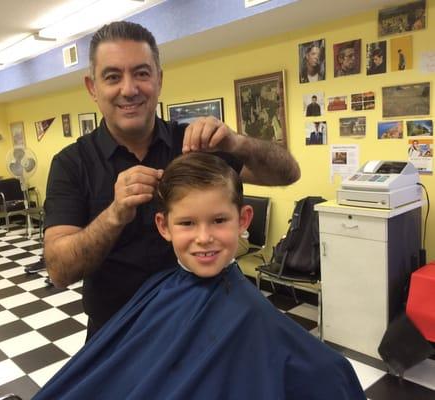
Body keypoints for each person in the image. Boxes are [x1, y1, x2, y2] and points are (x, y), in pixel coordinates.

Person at [33, 152, 365, 400]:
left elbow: (331, 376)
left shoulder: (251, 316)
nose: (204, 237)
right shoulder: (157, 290)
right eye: (188, 223)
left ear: (243, 219)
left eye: (219, 220)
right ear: (164, 227)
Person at [43, 21, 301, 339]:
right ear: (92, 87)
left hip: (203, 327)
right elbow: (58, 270)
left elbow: (288, 173)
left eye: (141, 73)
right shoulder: (72, 164)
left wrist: (238, 143)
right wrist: (114, 215)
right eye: (112, 76)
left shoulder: (198, 146)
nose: (129, 89)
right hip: (117, 337)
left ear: (159, 79)